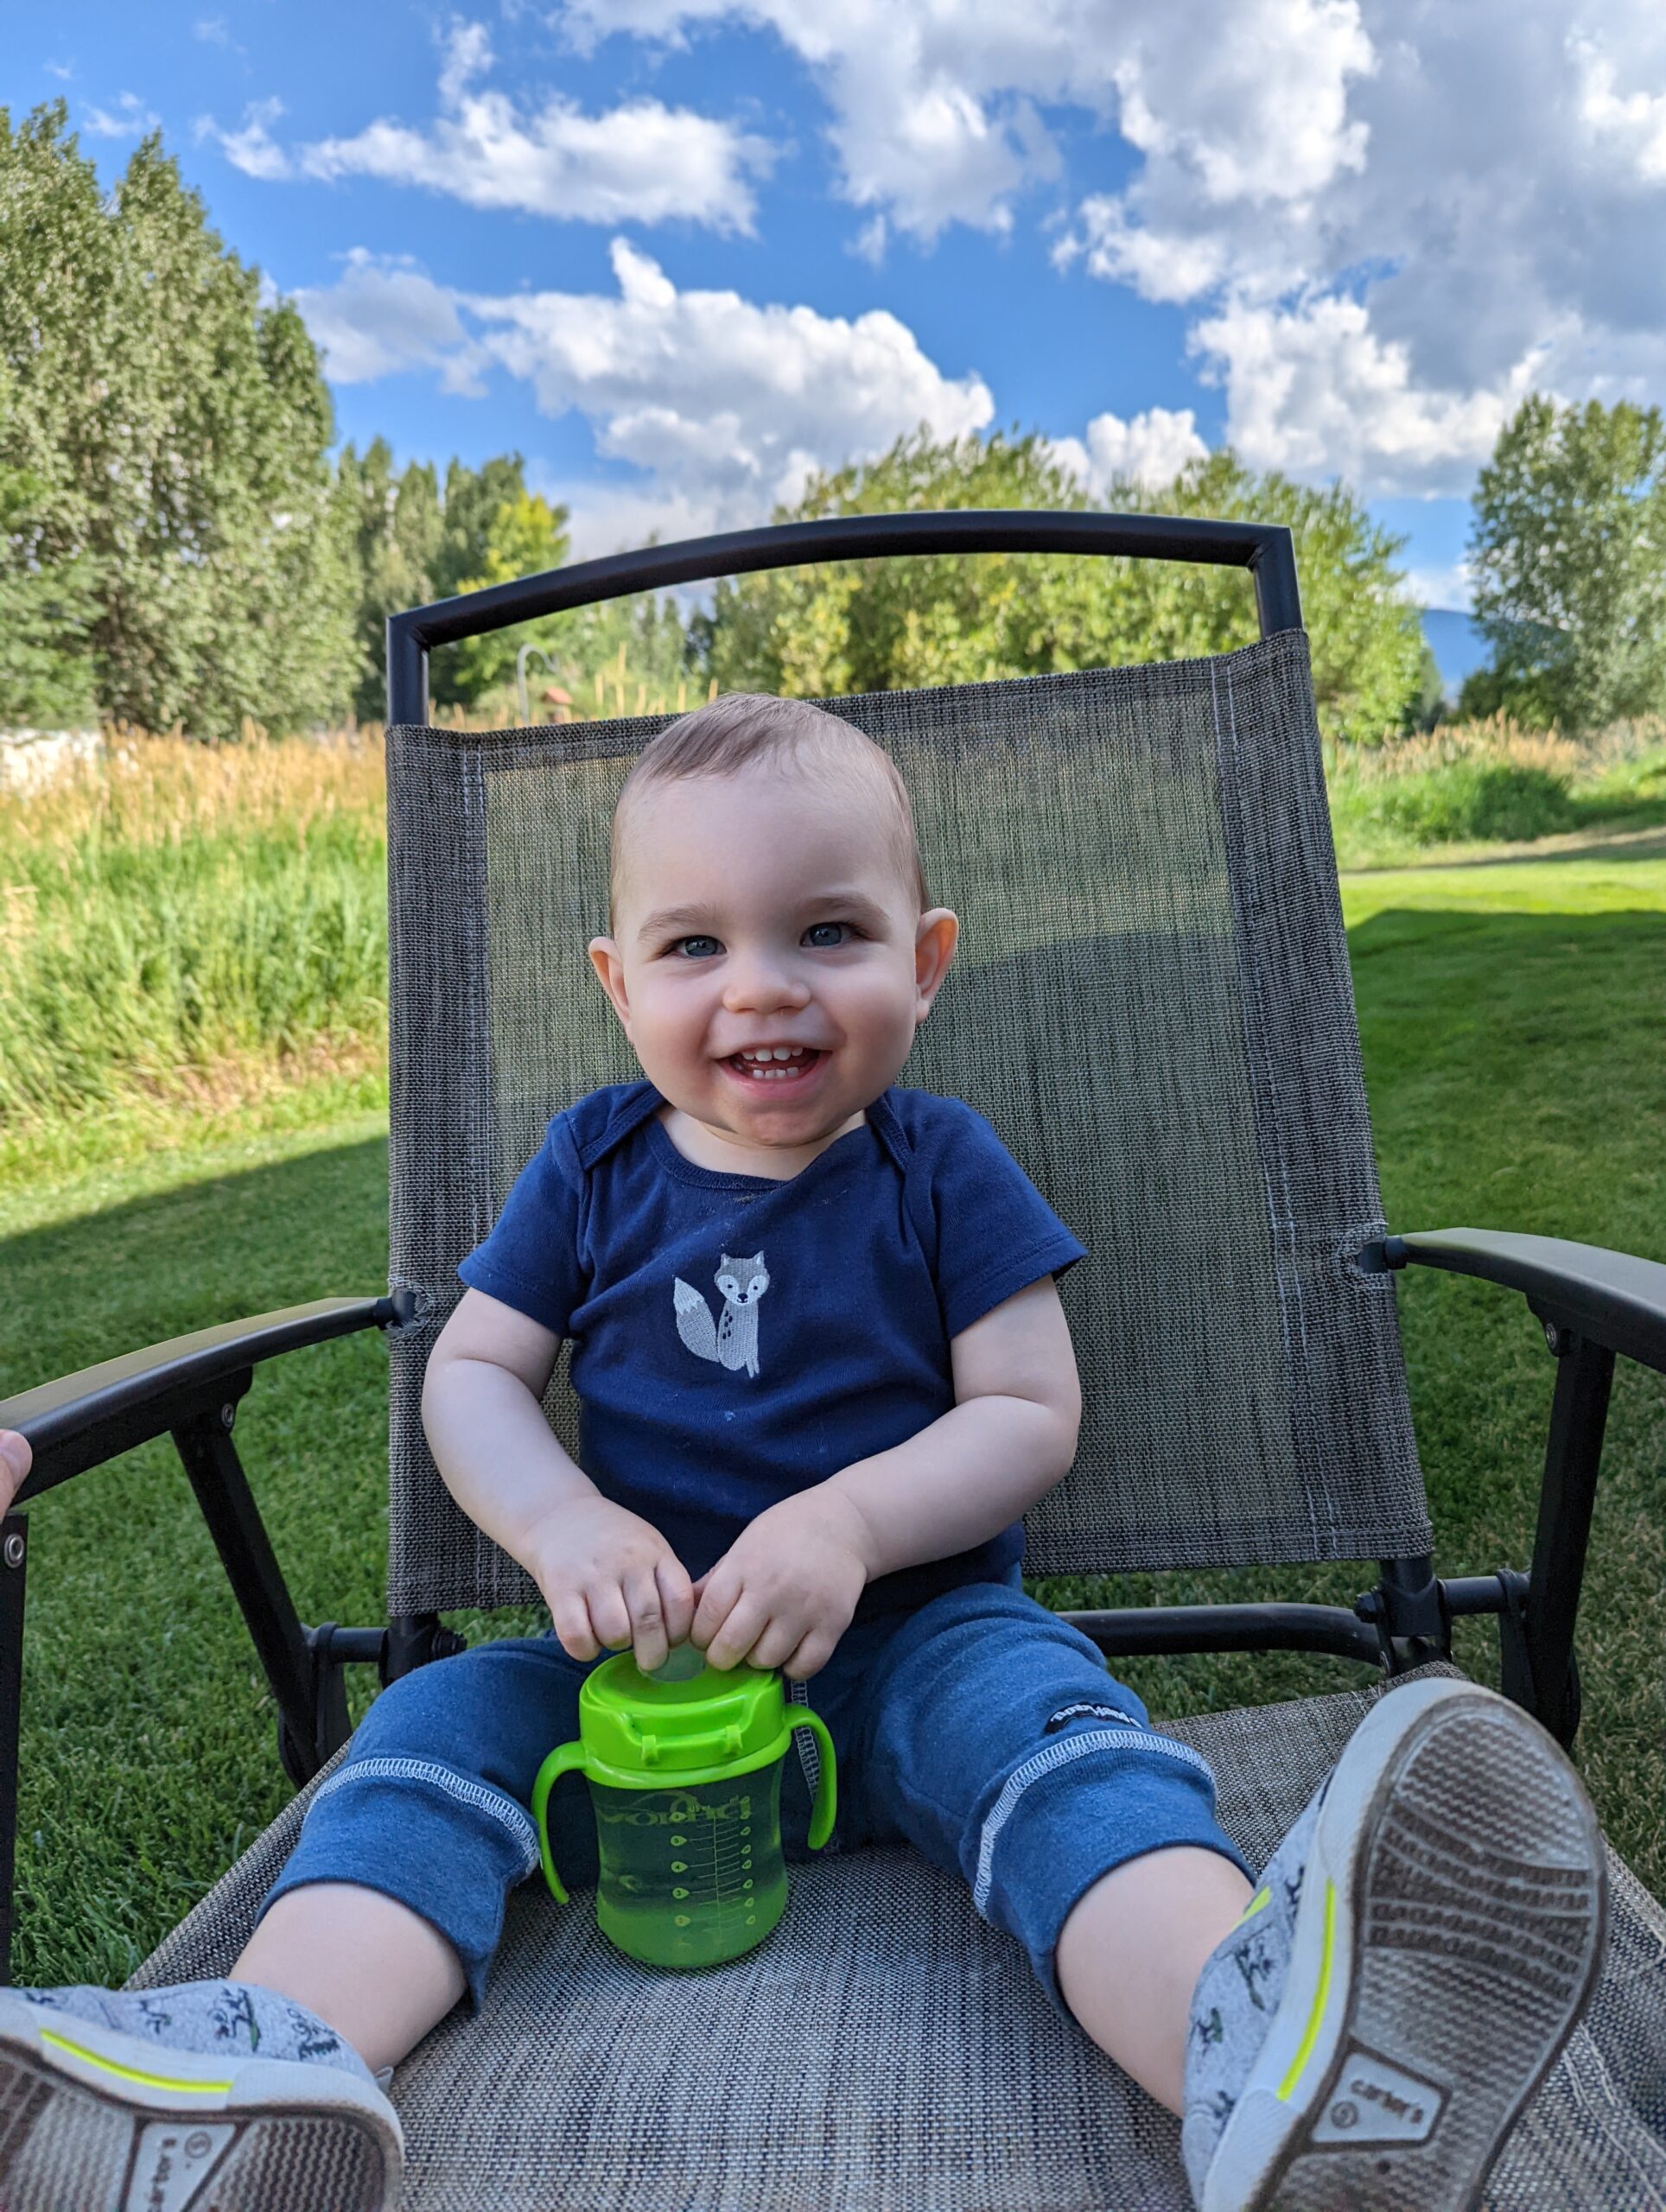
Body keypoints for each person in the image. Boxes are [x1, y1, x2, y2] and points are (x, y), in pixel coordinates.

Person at [0, 694, 1606, 2212]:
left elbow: (1031, 1414)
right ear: (619, 984)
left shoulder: (938, 1163)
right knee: (432, 1730)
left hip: (913, 1644)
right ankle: (270, 2068)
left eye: (827, 932)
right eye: (695, 944)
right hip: (631, 1676)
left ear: (926, 960)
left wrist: (846, 1525)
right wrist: (559, 1522)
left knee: (1058, 1744)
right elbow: (476, 1369)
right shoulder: (590, 1163)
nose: (762, 986)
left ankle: (1249, 2053)